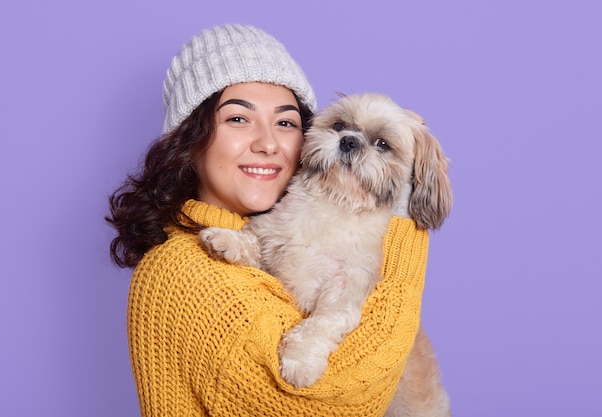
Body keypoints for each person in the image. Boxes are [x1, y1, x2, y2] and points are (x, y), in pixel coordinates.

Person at [107, 23, 430, 416]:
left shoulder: (267, 237)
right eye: (238, 119)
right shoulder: (180, 271)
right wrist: (408, 241)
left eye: (286, 122)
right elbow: (324, 407)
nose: (268, 143)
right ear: (188, 141)